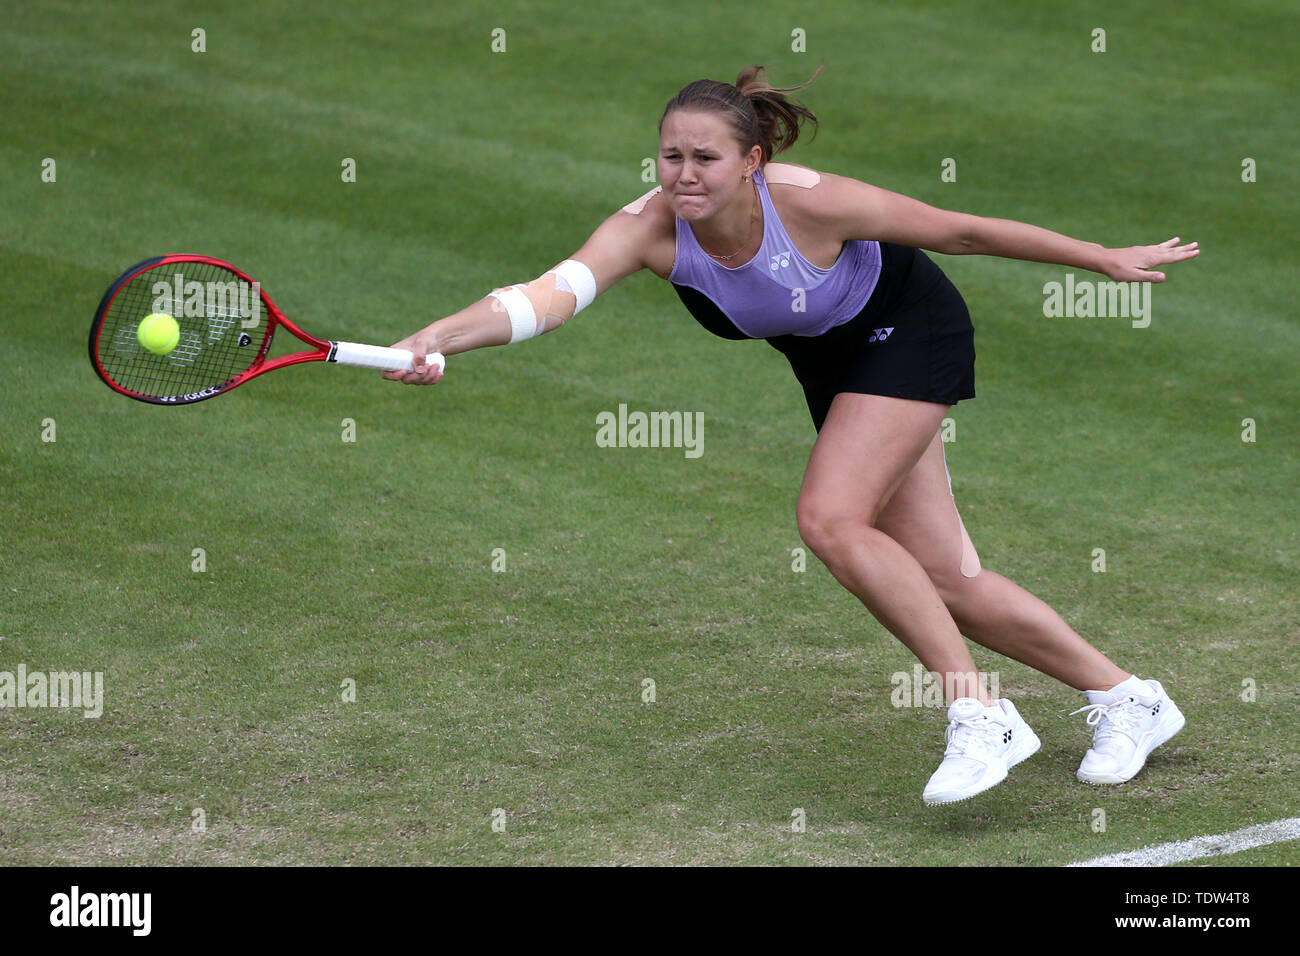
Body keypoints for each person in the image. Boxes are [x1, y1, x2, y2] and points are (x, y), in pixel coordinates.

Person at [384, 65, 1199, 805]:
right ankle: (1131, 700)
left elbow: (962, 231)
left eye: (704, 157)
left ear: (752, 161)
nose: (684, 174)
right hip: (833, 364)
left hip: (910, 329)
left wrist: (1099, 257)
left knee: (829, 519)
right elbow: (545, 297)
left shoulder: (812, 200)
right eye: (670, 157)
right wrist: (438, 337)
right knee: (941, 580)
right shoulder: (648, 228)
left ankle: (979, 712)